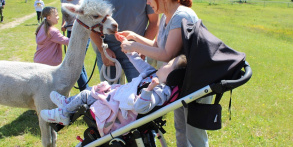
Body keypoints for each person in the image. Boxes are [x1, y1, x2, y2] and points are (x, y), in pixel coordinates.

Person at [117, 0, 212, 147]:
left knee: (195, 133)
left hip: (196, 83)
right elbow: (156, 44)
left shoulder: (182, 15)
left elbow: (166, 54)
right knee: (181, 128)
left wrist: (134, 47)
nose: (148, 2)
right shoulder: (166, 15)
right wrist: (134, 37)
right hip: (180, 82)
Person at [40, 47, 187, 132]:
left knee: (86, 94)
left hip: (117, 108)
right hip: (116, 95)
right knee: (92, 90)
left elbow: (141, 107)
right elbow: (140, 64)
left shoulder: (159, 91)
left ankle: (63, 113)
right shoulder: (154, 75)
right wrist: (129, 51)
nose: (163, 64)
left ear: (172, 75)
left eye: (168, 65)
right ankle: (68, 103)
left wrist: (149, 89)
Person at [52, 0, 90, 91]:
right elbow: (65, 13)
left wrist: (77, 26)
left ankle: (85, 93)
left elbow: (87, 18)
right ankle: (86, 92)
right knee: (77, 64)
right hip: (70, 33)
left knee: (76, 64)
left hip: (82, 34)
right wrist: (63, 24)